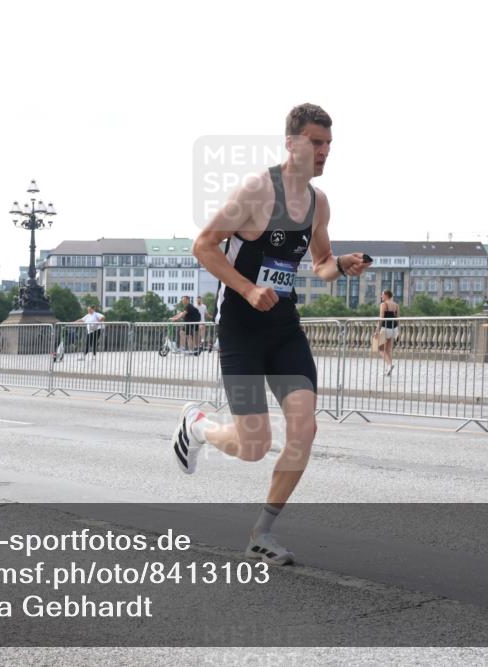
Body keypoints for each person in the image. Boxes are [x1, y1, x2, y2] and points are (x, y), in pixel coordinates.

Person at [171, 103, 371, 565]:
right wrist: (246, 288)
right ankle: (197, 426)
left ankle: (261, 533)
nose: (324, 152)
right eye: (316, 142)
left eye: (328, 144)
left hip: (283, 328)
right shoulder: (257, 190)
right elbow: (204, 245)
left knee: (305, 428)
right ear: (291, 142)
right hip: (240, 328)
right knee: (254, 446)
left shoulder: (318, 203)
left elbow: (321, 265)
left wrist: (342, 265)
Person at [377, 290, 400, 375]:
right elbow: (398, 318)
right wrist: (398, 331)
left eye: (382, 295)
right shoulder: (396, 305)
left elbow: (381, 318)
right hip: (394, 328)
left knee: (380, 349)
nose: (381, 296)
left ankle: (389, 365)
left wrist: (377, 330)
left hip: (385, 328)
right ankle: (388, 370)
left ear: (386, 295)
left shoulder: (383, 304)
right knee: (388, 349)